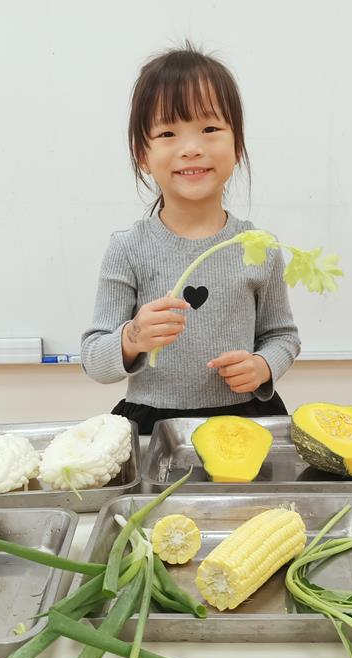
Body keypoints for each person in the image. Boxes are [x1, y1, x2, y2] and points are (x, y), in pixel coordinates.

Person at [80, 44, 300, 435]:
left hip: (245, 419)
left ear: (237, 145)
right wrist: (134, 336)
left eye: (210, 129)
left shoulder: (259, 246)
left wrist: (263, 366)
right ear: (142, 154)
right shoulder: (128, 248)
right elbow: (94, 358)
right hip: (154, 424)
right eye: (167, 133)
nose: (192, 148)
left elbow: (281, 336)